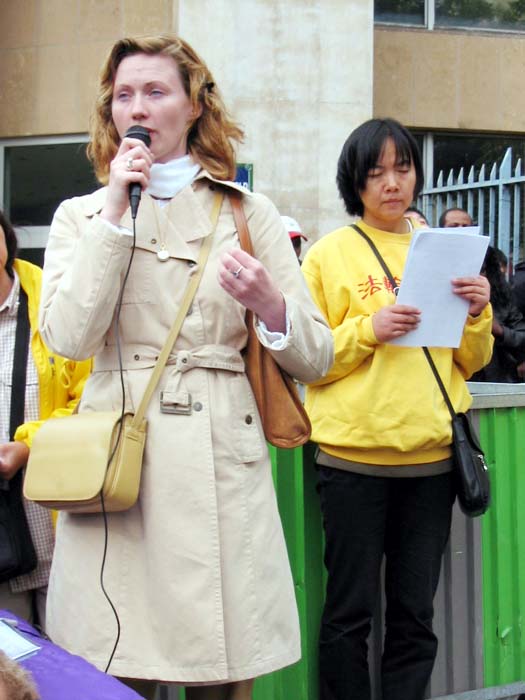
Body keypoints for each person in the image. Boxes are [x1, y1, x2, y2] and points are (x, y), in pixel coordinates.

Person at [38, 34, 333, 700]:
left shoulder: (247, 212)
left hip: (217, 458)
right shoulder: (81, 216)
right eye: (123, 95)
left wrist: (269, 303)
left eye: (156, 91)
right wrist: (115, 212)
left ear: (194, 104)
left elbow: (317, 356)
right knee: (111, 669)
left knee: (218, 671)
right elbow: (69, 339)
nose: (137, 108)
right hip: (119, 465)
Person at [301, 117, 493, 700]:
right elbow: (308, 359)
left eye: (403, 168)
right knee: (348, 614)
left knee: (415, 616)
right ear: (354, 181)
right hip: (352, 460)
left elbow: (470, 361)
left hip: (431, 461)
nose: (392, 183)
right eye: (376, 171)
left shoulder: (445, 251)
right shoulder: (327, 255)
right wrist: (370, 329)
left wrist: (478, 312)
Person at [0, 210, 91, 629]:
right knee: (12, 659)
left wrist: (29, 446)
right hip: (3, 546)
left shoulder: (53, 300)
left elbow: (92, 398)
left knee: (73, 657)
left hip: (60, 525)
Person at [471, 245, 525, 382]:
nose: (476, 277)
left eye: (482, 270)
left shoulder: (502, 299)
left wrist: (499, 330)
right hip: (459, 382)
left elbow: (521, 336)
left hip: (498, 381)